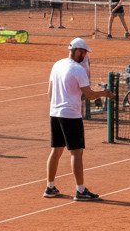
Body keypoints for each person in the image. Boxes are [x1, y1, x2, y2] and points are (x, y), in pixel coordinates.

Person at [45, 38, 110, 201]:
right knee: (76, 153)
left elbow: (49, 92)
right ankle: (80, 191)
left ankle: (50, 187)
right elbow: (89, 95)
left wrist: (57, 105)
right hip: (71, 115)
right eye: (84, 52)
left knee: (56, 150)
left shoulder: (57, 64)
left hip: (55, 113)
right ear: (77, 51)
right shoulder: (78, 70)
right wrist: (105, 93)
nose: (85, 56)